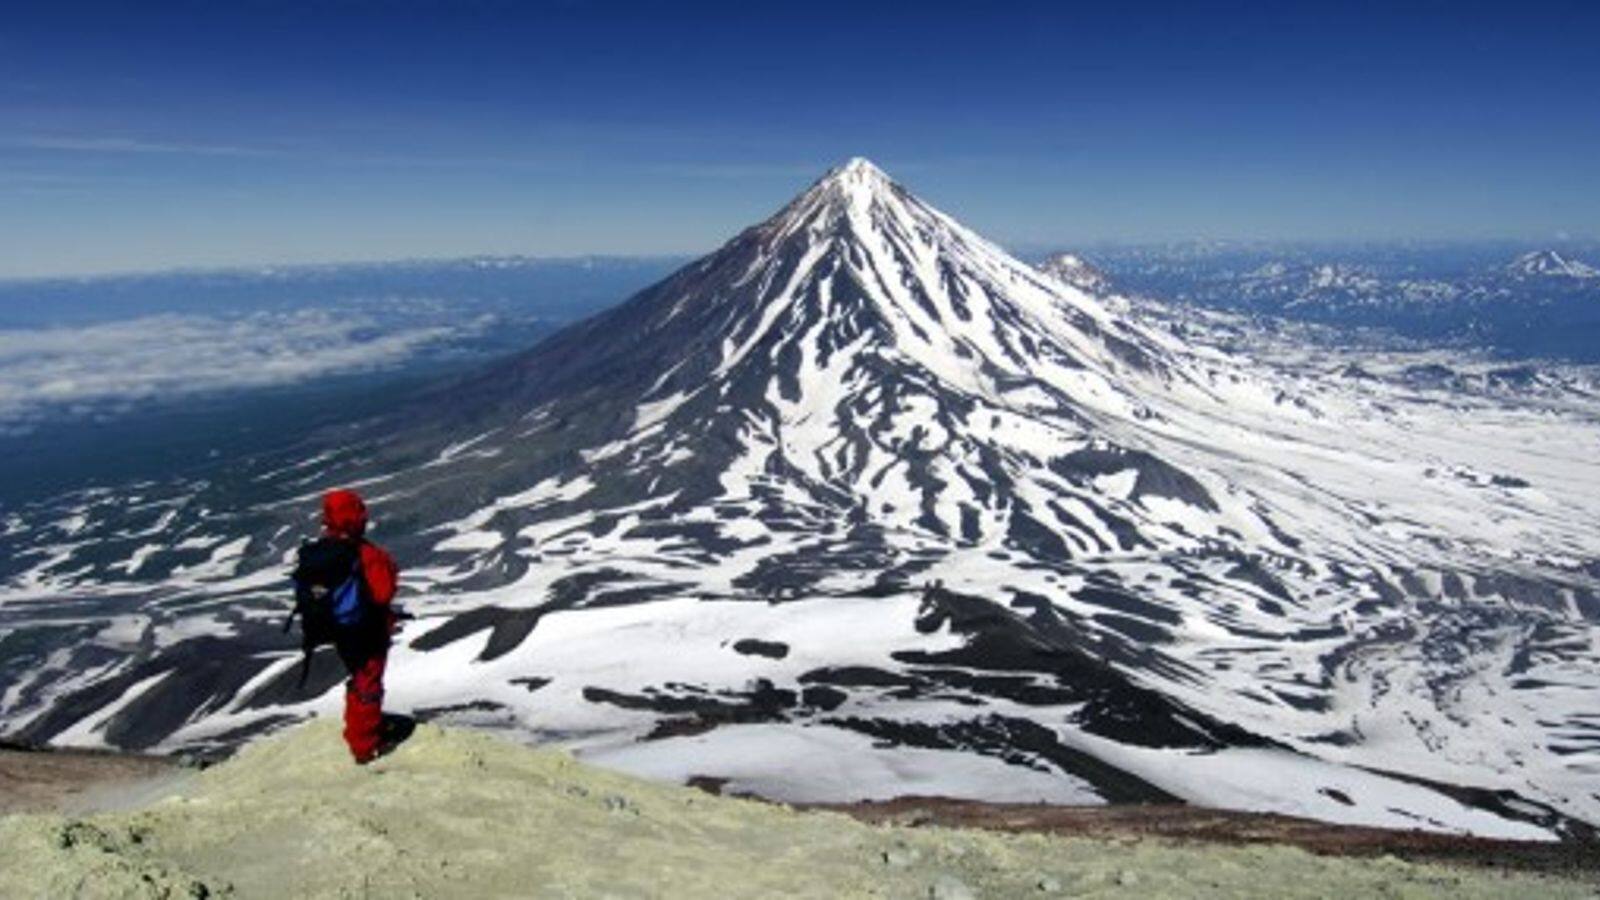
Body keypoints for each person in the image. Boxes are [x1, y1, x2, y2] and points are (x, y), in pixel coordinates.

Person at [304, 488, 401, 764]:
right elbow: (383, 593)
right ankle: (365, 746)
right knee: (368, 683)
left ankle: (358, 730)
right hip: (367, 631)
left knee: (358, 679)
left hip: (340, 630)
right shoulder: (365, 554)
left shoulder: (326, 552)